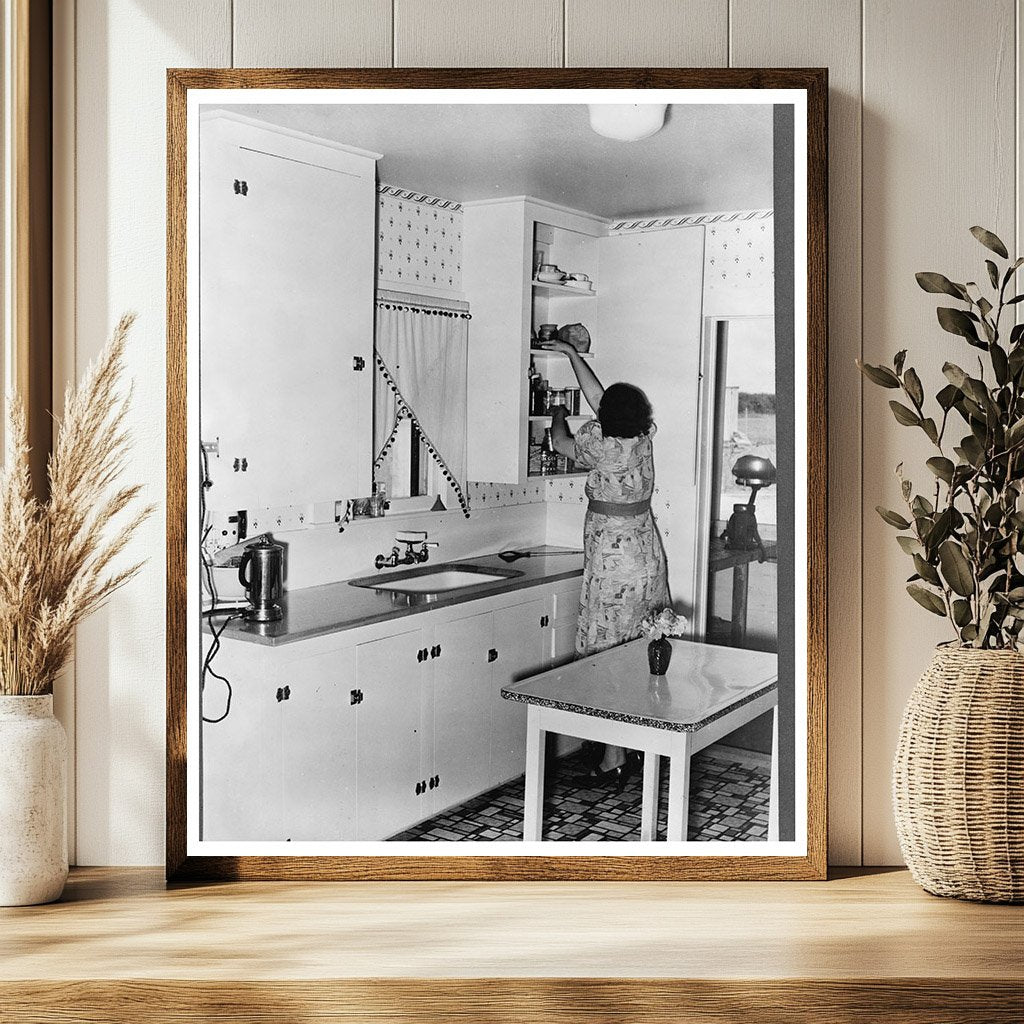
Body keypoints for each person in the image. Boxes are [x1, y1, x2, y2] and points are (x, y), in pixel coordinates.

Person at [541, 339, 670, 787]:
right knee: (639, 653)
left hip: (614, 564)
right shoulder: (641, 440)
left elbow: (560, 443)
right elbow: (603, 403)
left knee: (605, 659)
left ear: (606, 422)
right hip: (647, 557)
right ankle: (637, 748)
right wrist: (573, 357)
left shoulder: (601, 447)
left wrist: (557, 410)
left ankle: (612, 758)